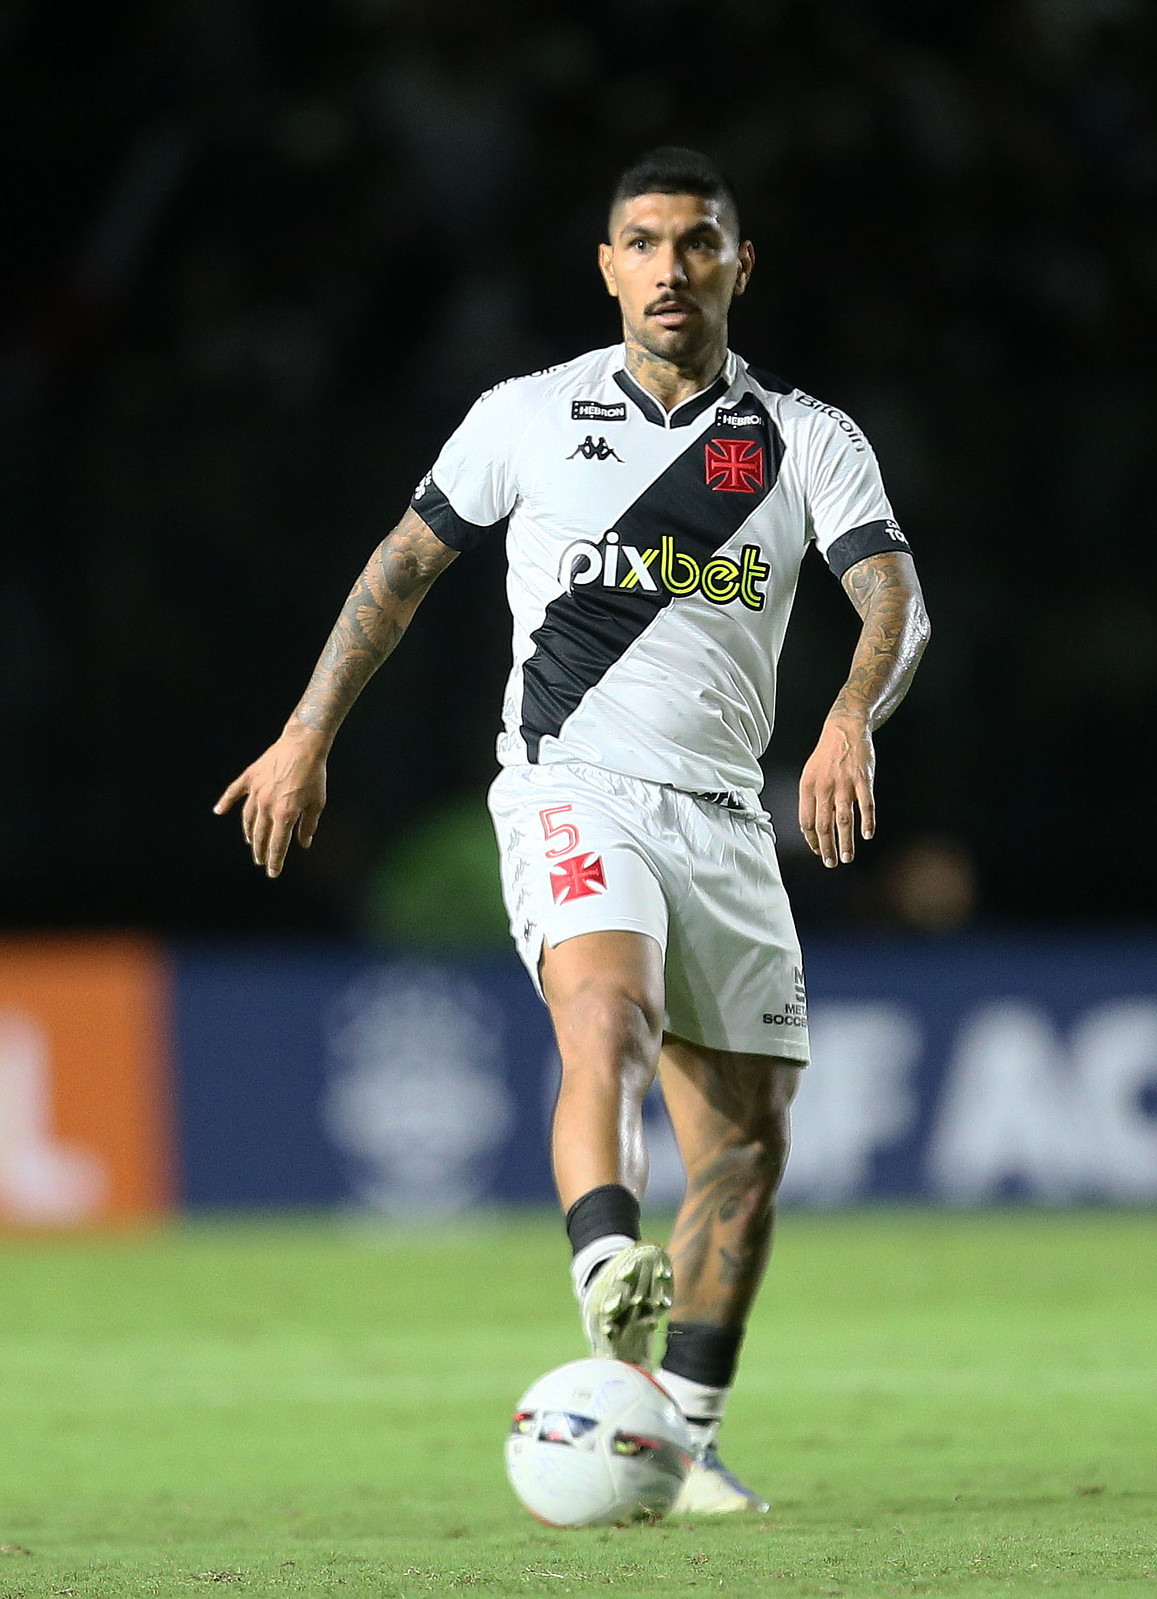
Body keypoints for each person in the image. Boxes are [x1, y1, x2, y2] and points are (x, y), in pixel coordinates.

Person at [215, 146, 930, 1514]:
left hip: (727, 815)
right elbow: (399, 570)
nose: (671, 268)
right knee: (608, 1015)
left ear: (740, 265)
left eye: (699, 242)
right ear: (606, 266)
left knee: (747, 1152)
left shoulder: (806, 439)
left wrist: (851, 716)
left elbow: (894, 599)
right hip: (570, 783)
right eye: (643, 243)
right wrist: (306, 734)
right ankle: (607, 1255)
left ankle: (685, 1439)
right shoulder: (527, 417)